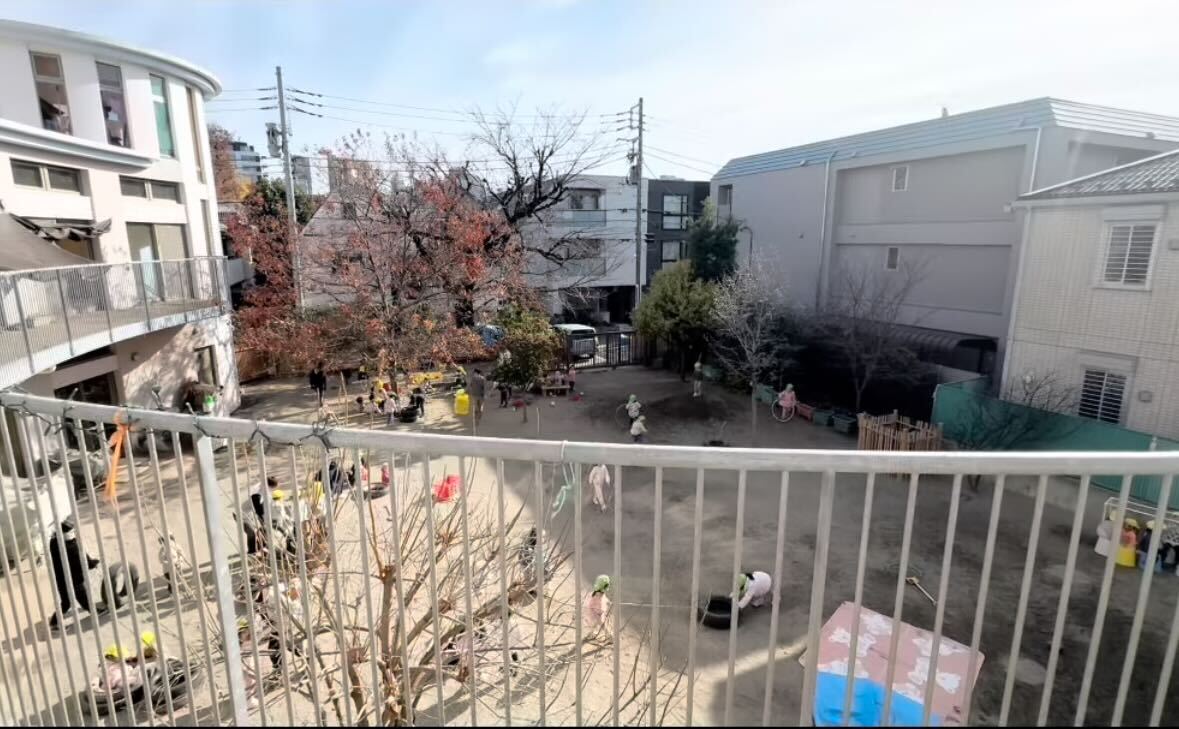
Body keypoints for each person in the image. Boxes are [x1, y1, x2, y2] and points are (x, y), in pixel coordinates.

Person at [48, 518, 100, 628]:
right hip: (74, 578)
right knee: (78, 597)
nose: (73, 533)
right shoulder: (70, 546)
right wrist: (91, 564)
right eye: (71, 531)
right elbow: (81, 558)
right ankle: (94, 611)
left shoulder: (54, 542)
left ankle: (53, 622)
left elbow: (80, 554)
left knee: (67, 601)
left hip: (61, 578)